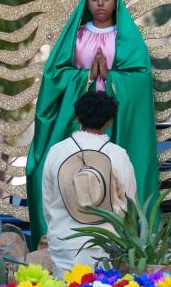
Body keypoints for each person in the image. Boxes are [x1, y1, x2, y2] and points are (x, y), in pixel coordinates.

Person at [25, 0, 159, 244]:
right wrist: (85, 77)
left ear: (116, 1)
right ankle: (56, 238)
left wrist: (111, 79)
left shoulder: (126, 37)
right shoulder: (77, 35)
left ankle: (126, 240)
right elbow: (54, 75)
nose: (100, 3)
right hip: (78, 116)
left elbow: (141, 77)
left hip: (116, 117)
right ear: (86, 2)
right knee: (45, 170)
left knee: (122, 171)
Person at [41, 91, 137, 274]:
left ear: (77, 118)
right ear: (109, 121)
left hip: (63, 242)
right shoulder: (117, 155)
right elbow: (129, 204)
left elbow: (48, 202)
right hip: (106, 244)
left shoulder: (56, 152)